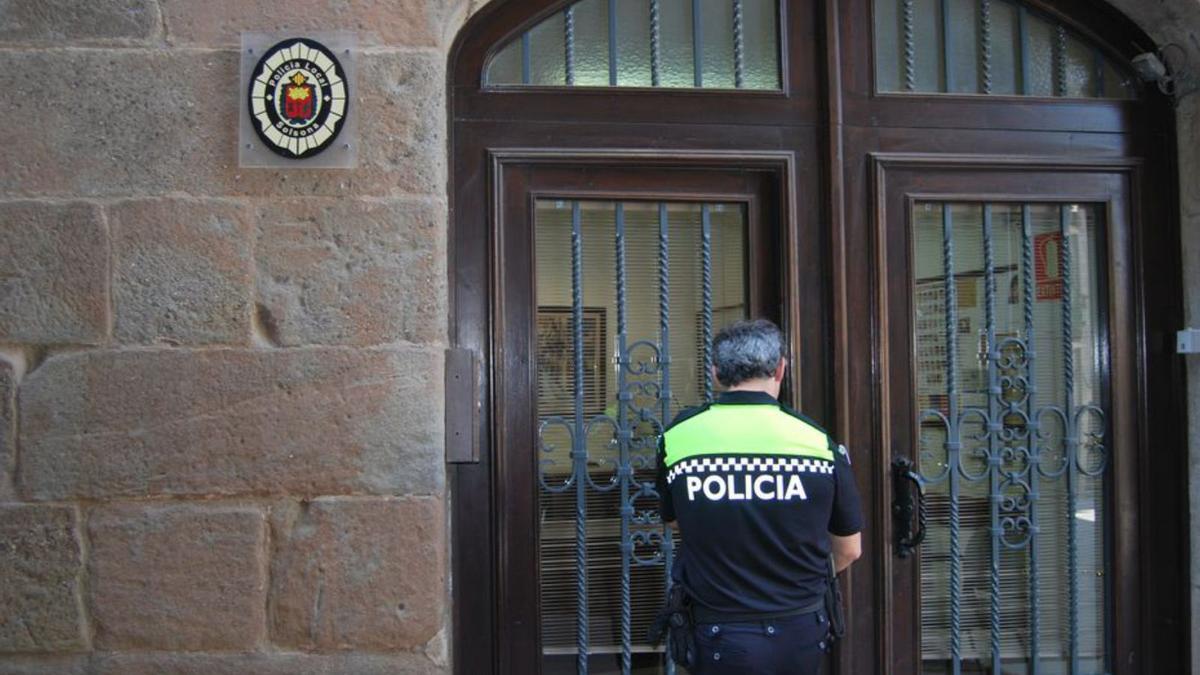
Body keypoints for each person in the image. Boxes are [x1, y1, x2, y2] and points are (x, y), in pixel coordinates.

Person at [655, 319, 864, 674]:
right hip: (800, 626)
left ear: (715, 373)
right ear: (781, 369)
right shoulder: (818, 443)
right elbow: (849, 549)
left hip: (716, 629)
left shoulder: (679, 438)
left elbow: (675, 519)